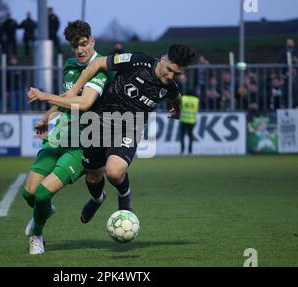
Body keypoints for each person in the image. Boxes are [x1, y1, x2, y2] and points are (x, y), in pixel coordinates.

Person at [28, 44, 196, 224]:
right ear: (163, 59)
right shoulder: (138, 61)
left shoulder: (170, 86)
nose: (170, 76)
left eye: (176, 74)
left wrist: (177, 113)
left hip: (130, 127)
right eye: (169, 69)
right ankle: (97, 199)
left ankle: (125, 199)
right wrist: (75, 89)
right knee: (93, 176)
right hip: (99, 122)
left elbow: (177, 98)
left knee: (114, 172)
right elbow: (98, 63)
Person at [23, 20, 111, 255]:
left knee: (42, 193)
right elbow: (66, 100)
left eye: (84, 44)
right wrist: (46, 117)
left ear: (92, 41)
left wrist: (45, 96)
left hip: (82, 144)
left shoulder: (102, 67)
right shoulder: (71, 66)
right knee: (29, 193)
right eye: (75, 46)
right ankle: (44, 210)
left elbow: (84, 103)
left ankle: (37, 235)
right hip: (58, 137)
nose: (80, 50)